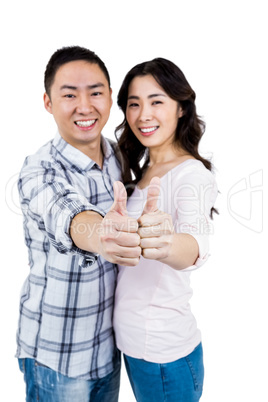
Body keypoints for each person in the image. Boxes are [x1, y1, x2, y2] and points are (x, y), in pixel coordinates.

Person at [16, 46, 141, 402]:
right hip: (58, 355)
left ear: (110, 97)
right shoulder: (39, 169)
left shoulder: (119, 155)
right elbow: (66, 213)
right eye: (69, 95)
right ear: (48, 102)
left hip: (108, 347)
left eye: (96, 93)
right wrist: (103, 234)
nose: (85, 107)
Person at [113, 58, 218, 401]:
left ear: (182, 108)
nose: (144, 114)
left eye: (157, 101)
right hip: (135, 348)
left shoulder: (192, 175)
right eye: (134, 103)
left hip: (164, 354)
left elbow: (194, 243)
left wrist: (166, 243)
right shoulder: (139, 170)